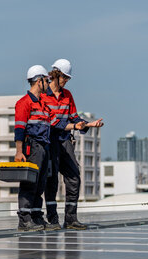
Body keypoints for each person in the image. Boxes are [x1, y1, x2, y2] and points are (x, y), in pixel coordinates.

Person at [14, 65, 85, 232]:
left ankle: (37, 217)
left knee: (39, 184)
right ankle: (24, 221)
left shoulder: (42, 105)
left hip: (44, 147)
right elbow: (19, 129)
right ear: (39, 81)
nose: (48, 82)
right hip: (32, 146)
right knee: (29, 184)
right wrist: (19, 151)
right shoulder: (24, 103)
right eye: (46, 80)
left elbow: (53, 123)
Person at [42, 59, 104, 230]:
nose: (66, 81)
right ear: (56, 75)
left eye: (68, 78)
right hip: (50, 142)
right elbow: (53, 122)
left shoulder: (67, 95)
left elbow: (74, 118)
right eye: (64, 77)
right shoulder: (43, 95)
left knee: (73, 178)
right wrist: (74, 126)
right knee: (52, 181)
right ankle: (53, 219)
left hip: (65, 141)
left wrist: (88, 125)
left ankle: (70, 219)